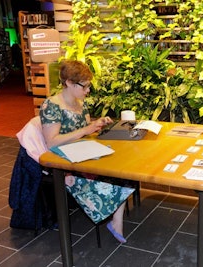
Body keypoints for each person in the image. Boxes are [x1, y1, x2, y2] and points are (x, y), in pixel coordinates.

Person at [40, 59, 134, 243]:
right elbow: (51, 143)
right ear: (68, 83)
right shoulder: (51, 106)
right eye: (84, 86)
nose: (87, 91)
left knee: (123, 169)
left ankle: (116, 220)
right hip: (64, 161)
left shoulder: (80, 103)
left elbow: (84, 131)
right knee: (109, 179)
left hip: (82, 153)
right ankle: (116, 221)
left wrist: (96, 125)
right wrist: (86, 130)